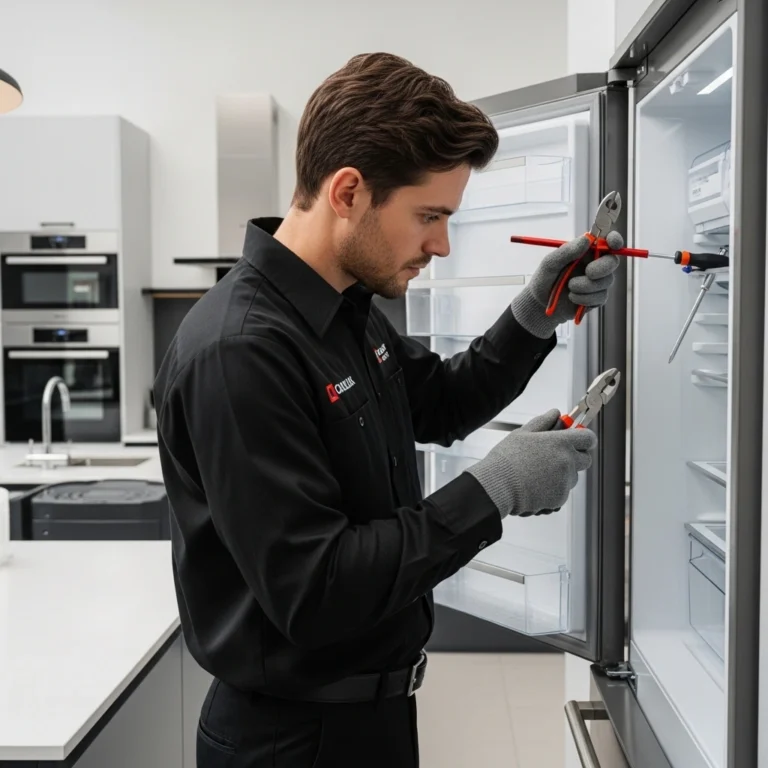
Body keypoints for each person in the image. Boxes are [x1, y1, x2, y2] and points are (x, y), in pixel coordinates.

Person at [154, 52, 622, 768]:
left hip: (370, 722)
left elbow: (436, 401)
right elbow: (317, 590)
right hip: (290, 743)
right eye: (428, 216)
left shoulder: (346, 310)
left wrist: (537, 312)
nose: (439, 244)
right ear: (348, 191)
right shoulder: (240, 352)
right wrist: (496, 490)